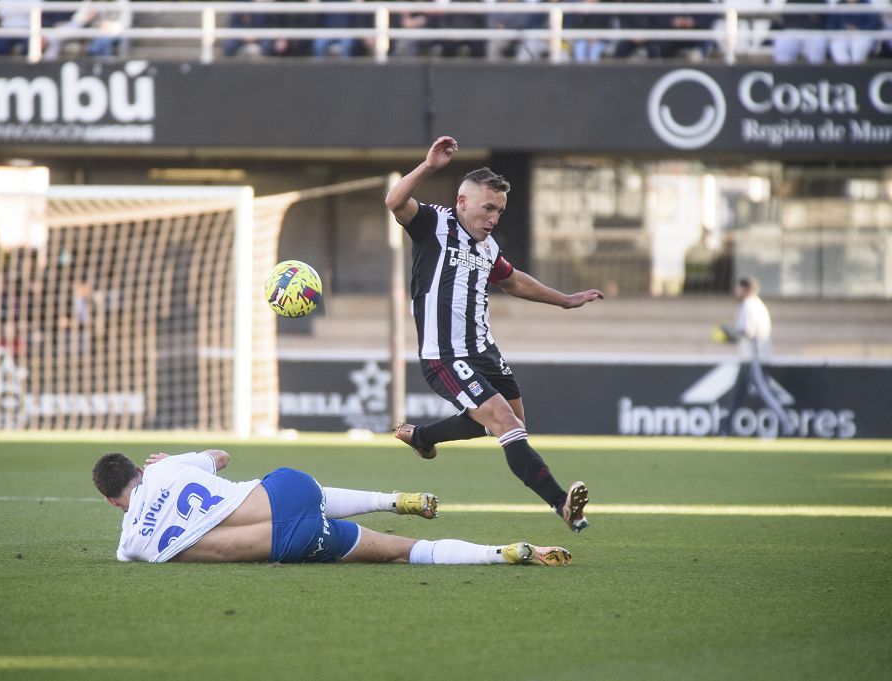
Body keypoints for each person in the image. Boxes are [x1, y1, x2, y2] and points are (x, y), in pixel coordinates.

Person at [384, 135, 604, 533]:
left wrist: (565, 301)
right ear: (463, 202)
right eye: (488, 208)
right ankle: (562, 505)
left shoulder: (487, 247)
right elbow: (395, 202)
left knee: (513, 425)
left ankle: (422, 437)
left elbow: (514, 281)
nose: (494, 218)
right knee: (504, 422)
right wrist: (430, 166)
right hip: (445, 355)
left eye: (499, 211)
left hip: (485, 351)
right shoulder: (435, 223)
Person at [92, 450, 573, 566]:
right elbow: (220, 457)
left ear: (114, 500)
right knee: (308, 490)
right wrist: (168, 458)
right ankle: (391, 499)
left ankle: (503, 552)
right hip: (285, 492)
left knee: (407, 553)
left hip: (288, 541)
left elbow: (133, 551)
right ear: (139, 468)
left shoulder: (128, 543)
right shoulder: (167, 467)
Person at [719, 275, 794, 437]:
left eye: (738, 288)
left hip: (753, 359)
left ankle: (787, 424)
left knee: (764, 392)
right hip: (754, 357)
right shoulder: (758, 305)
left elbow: (749, 331)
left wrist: (729, 334)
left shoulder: (748, 306)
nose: (735, 291)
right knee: (737, 396)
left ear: (745, 289)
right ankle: (724, 429)